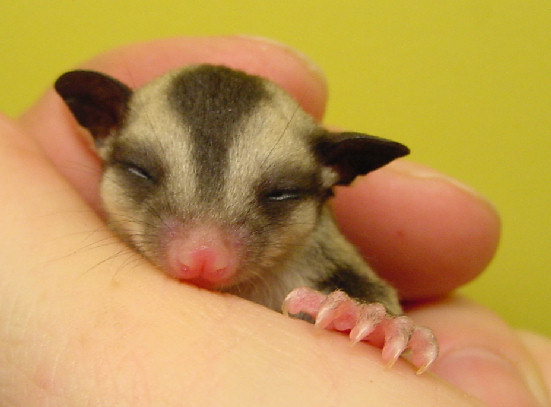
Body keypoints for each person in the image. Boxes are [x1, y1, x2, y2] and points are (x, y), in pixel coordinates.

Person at [1, 36, 549, 407]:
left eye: (277, 195)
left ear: (335, 172)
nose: (201, 252)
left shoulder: (324, 266)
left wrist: (376, 321)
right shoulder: (52, 238)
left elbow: (375, 306)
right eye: (144, 175)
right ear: (101, 128)